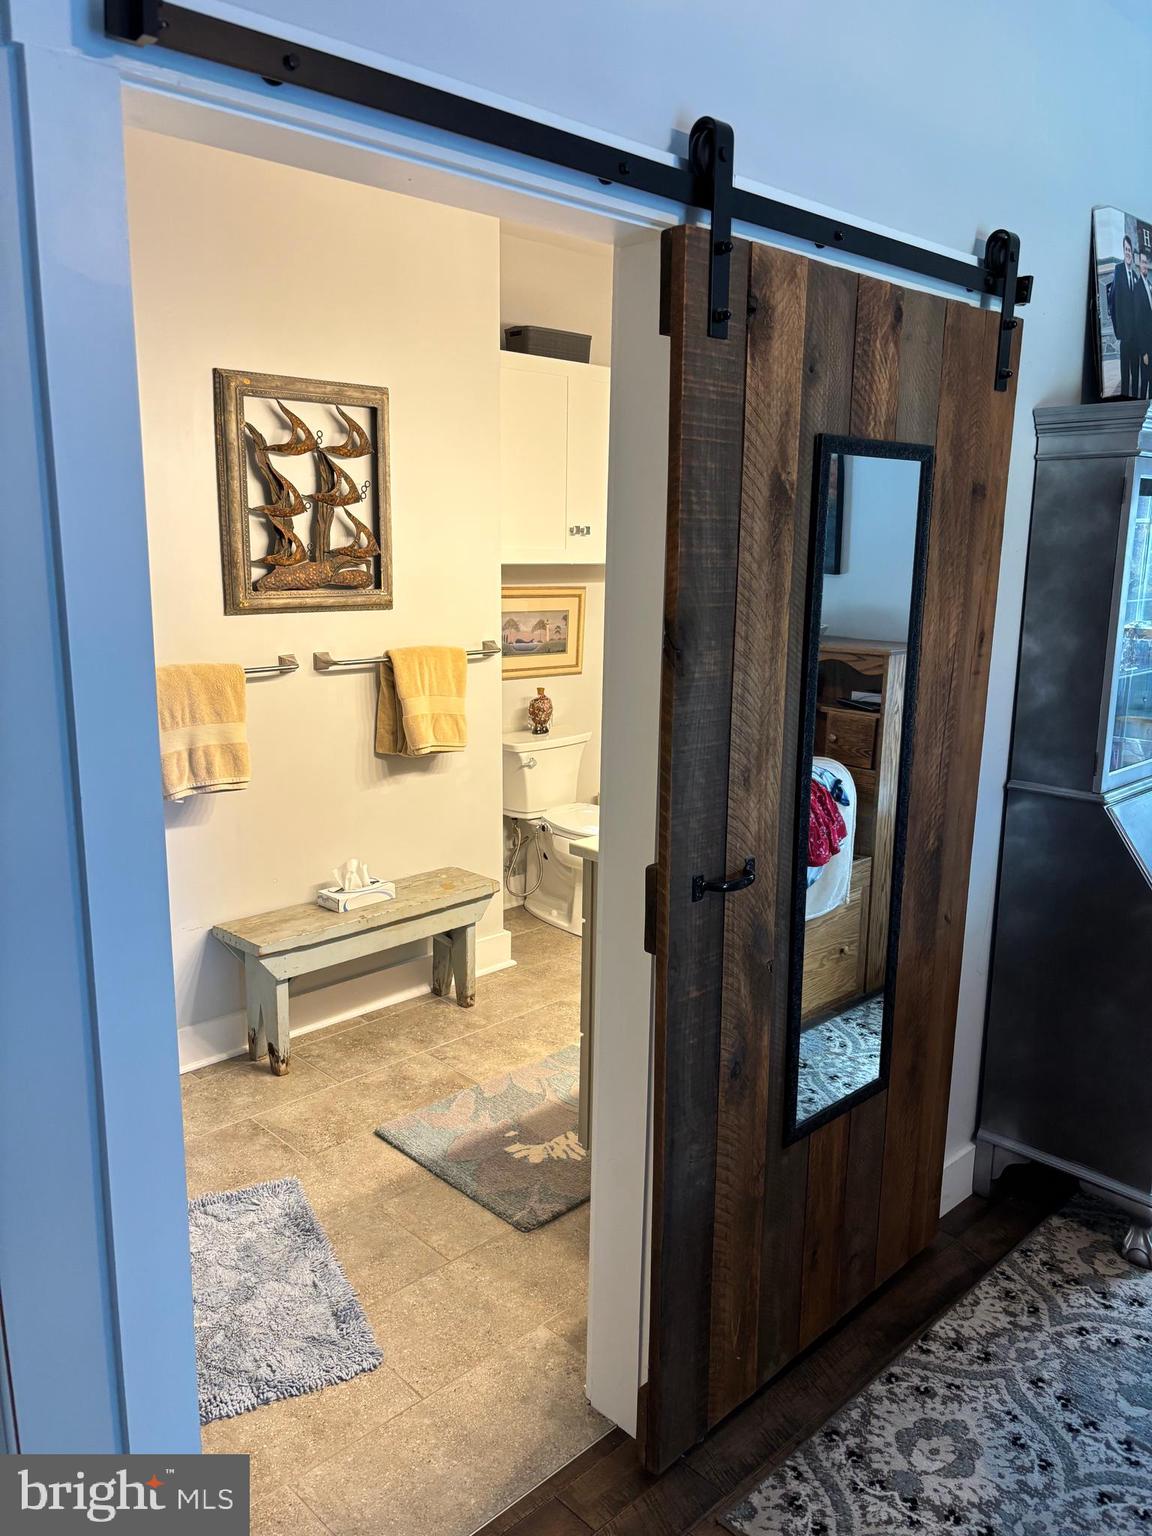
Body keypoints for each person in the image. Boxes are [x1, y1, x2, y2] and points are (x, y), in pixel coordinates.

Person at [1113, 234, 1142, 397]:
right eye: (1126, 249)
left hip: (1136, 338)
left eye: (1130, 250)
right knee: (1125, 376)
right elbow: (1114, 302)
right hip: (1125, 337)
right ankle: (1123, 399)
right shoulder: (1118, 270)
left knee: (1136, 374)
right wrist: (1120, 333)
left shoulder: (1136, 276)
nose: (1128, 252)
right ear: (1123, 252)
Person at [1139, 249, 1152, 399]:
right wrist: (1144, 352)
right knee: (1145, 381)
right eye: (1142, 262)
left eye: (1146, 263)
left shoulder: (1149, 285)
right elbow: (1138, 321)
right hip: (1146, 348)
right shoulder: (1137, 288)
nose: (1145, 266)